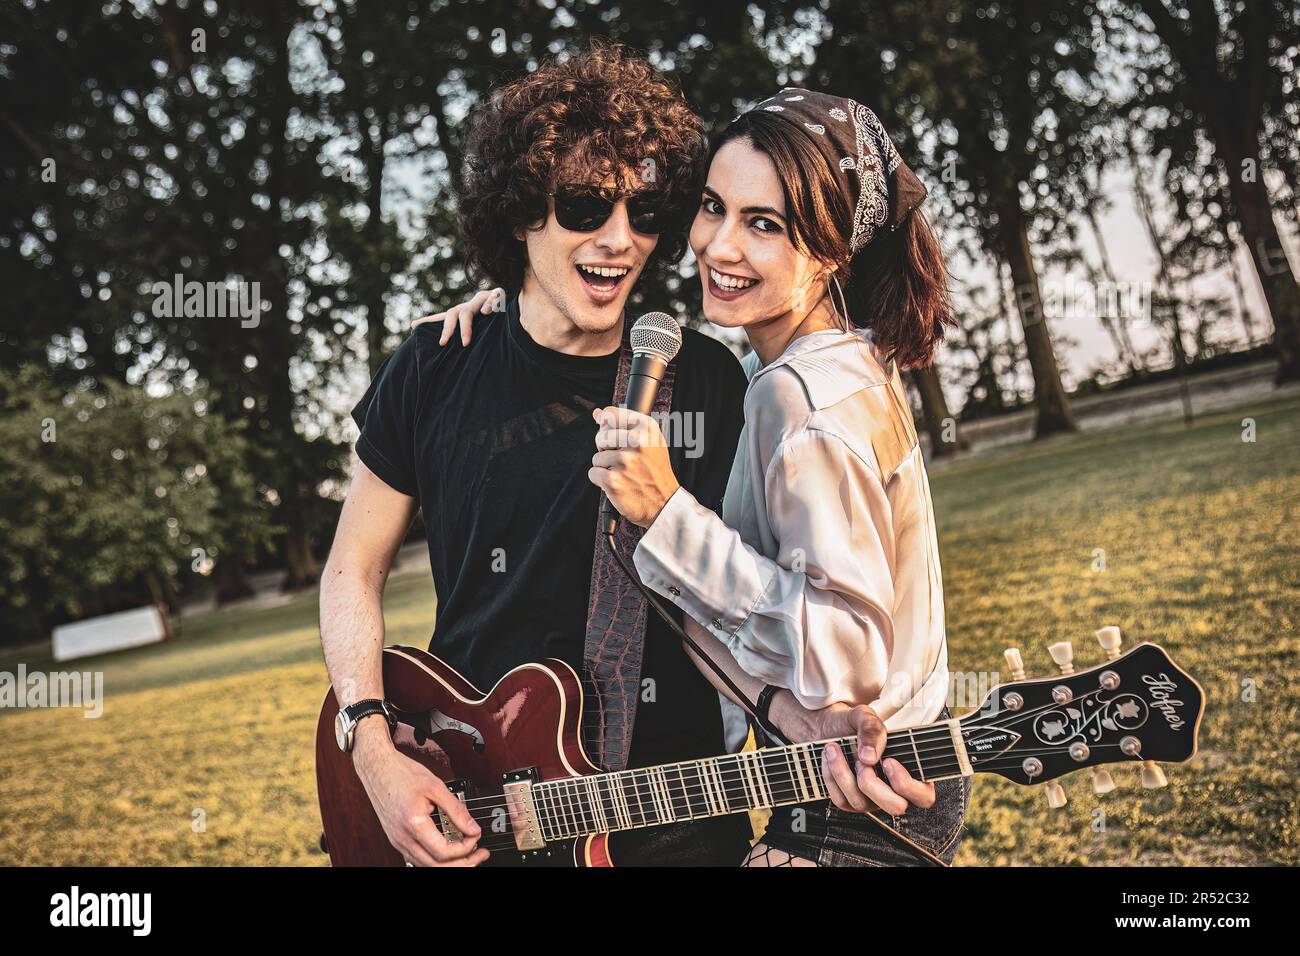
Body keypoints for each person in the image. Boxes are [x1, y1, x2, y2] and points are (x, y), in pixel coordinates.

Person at [428, 88, 969, 867]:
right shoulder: (821, 363)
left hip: (864, 798)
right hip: (847, 781)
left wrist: (668, 515)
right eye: (713, 207)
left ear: (831, 250)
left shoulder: (801, 398)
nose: (717, 245)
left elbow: (850, 658)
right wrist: (520, 302)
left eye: (765, 225)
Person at [319, 42, 754, 866]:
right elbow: (351, 572)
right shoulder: (434, 364)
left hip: (676, 819)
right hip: (473, 803)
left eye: (647, 212)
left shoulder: (703, 380)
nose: (620, 240)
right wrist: (372, 749)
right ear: (521, 212)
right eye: (586, 206)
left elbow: (758, 603)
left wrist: (666, 508)